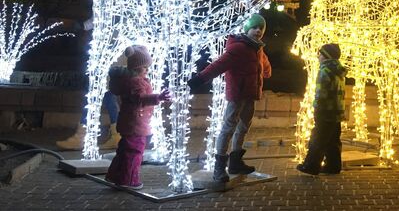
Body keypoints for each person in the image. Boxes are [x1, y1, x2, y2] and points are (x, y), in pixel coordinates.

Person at [187, 13, 271, 181]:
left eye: (261, 28)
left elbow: (266, 68)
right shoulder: (238, 47)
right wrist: (201, 78)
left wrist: (266, 70)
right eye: (254, 27)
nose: (258, 31)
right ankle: (219, 167)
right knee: (228, 127)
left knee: (243, 127)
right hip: (237, 95)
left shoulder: (258, 48)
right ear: (247, 29)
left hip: (251, 95)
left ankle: (235, 161)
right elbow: (219, 64)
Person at [105, 45, 171, 190]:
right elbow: (139, 98)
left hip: (131, 122)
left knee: (124, 151)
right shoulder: (135, 82)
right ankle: (128, 180)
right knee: (134, 152)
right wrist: (158, 97)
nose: (147, 70)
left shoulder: (132, 80)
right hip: (135, 123)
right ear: (136, 68)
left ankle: (115, 176)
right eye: (144, 67)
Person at [56, 28, 122, 151]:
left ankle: (81, 137)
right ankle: (116, 135)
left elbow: (95, 22)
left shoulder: (110, 22)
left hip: (105, 63)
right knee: (106, 99)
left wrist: (84, 25)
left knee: (93, 99)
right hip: (107, 63)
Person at [296, 43, 346, 176]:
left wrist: (316, 107)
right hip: (337, 110)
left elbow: (321, 92)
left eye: (320, 54)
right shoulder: (339, 70)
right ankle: (333, 166)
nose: (318, 57)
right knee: (333, 139)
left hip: (325, 110)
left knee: (317, 138)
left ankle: (311, 166)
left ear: (326, 56)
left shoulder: (325, 70)